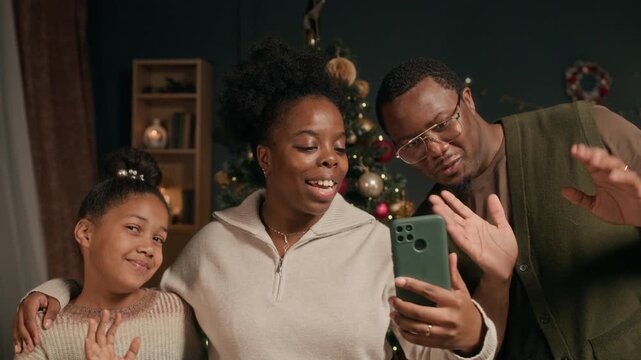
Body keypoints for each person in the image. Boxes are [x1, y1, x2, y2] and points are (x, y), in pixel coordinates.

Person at [12, 38, 501, 360]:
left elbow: (435, 352)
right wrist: (55, 290)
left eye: (340, 147)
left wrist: (472, 338)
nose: (331, 159)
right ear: (265, 158)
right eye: (309, 146)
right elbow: (136, 303)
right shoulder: (211, 248)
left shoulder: (378, 246)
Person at [375, 57, 641, 359]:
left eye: (443, 124)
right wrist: (494, 281)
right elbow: (476, 350)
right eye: (412, 144)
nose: (435, 150)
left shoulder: (586, 127)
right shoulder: (429, 230)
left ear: (468, 100)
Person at [13, 148, 205, 359]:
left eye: (158, 239)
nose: (149, 248)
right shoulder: (40, 329)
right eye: (133, 228)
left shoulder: (177, 313)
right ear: (86, 233)